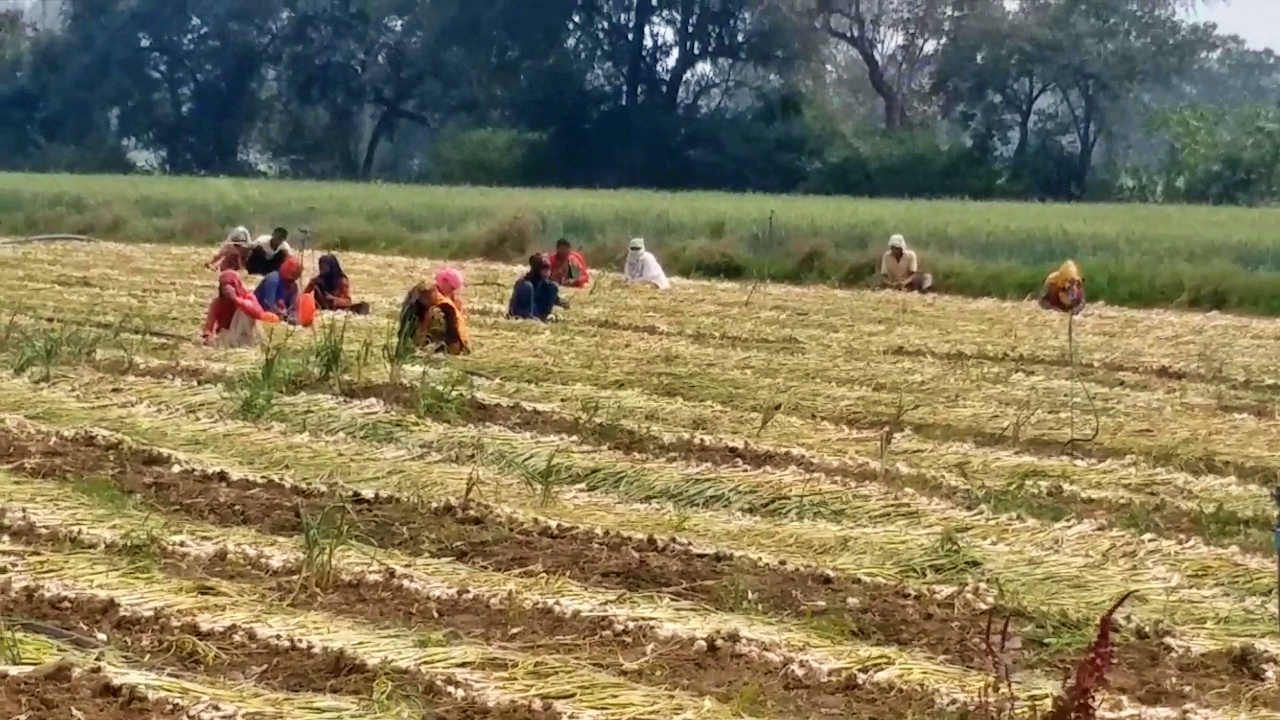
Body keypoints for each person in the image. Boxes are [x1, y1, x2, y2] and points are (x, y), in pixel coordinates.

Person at [397, 267, 470, 356]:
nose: (452, 292)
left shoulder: (451, 300)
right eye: (451, 288)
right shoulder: (428, 297)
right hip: (419, 339)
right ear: (444, 282)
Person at [201, 271, 279, 347]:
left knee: (244, 311)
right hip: (229, 335)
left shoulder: (248, 296)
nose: (226, 289)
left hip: (249, 334)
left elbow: (258, 314)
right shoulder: (217, 302)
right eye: (223, 285)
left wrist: (236, 300)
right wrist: (208, 336)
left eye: (231, 285)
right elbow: (209, 326)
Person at [303, 253, 370, 314]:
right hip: (322, 308)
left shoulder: (341, 281)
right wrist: (311, 285)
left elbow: (348, 301)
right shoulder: (317, 281)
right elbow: (303, 296)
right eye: (320, 265)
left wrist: (333, 299)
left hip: (337, 310)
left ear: (331, 267)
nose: (321, 268)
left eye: (324, 266)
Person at [509, 254, 569, 321]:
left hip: (538, 313)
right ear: (537, 270)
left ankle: (543, 317)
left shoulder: (546, 285)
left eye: (548, 270)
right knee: (529, 287)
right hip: (523, 314)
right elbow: (518, 307)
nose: (547, 273)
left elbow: (555, 299)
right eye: (544, 270)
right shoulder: (525, 285)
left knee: (553, 287)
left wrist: (562, 303)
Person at [253, 255, 304, 323]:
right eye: (289, 280)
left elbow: (293, 308)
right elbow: (268, 306)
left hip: (281, 315)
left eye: (293, 280)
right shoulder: (273, 279)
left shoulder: (293, 287)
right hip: (261, 313)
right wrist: (283, 315)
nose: (291, 283)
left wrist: (293, 317)